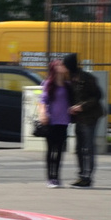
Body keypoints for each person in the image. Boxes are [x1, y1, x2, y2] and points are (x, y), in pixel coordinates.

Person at [63, 52, 103, 187]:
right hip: (78, 118)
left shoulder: (86, 78)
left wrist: (82, 106)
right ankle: (81, 175)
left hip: (89, 116)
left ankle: (87, 176)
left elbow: (97, 96)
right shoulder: (69, 79)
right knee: (79, 147)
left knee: (87, 147)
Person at [39, 59, 72, 188]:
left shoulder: (67, 85)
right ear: (54, 68)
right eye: (59, 65)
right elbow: (42, 100)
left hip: (63, 122)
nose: (61, 66)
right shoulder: (49, 84)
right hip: (51, 121)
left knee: (59, 151)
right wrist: (42, 113)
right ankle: (49, 178)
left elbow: (70, 101)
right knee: (50, 150)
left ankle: (56, 177)